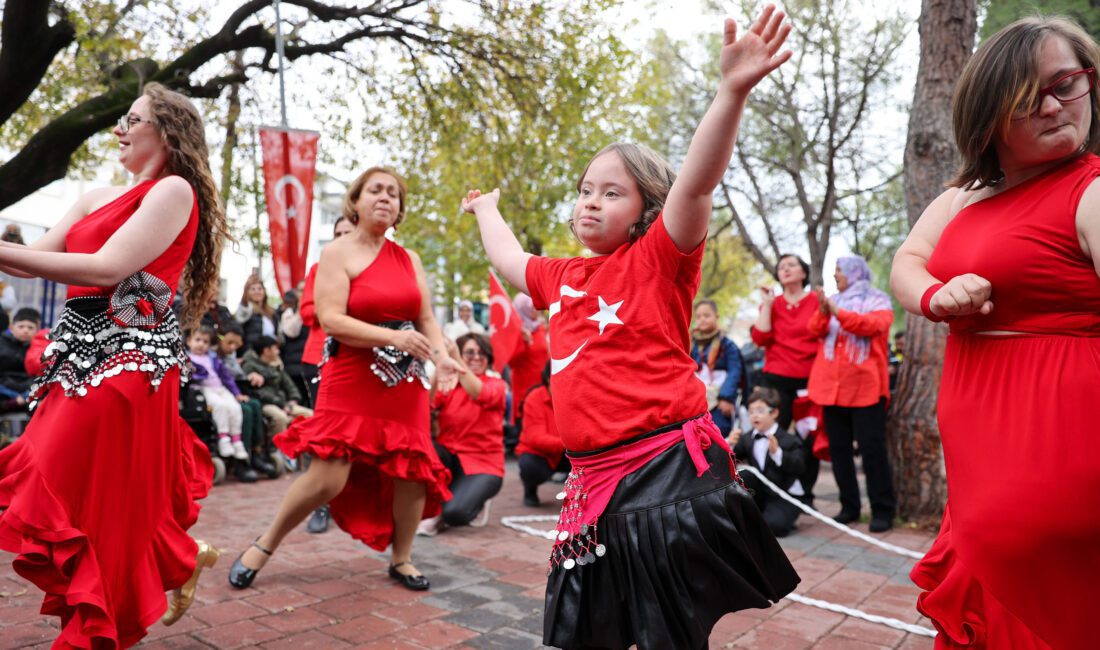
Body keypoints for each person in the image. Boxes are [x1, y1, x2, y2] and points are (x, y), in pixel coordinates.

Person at [462, 7, 798, 648]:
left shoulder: (659, 260)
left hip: (662, 476)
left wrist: (730, 92)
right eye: (586, 189)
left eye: (611, 193)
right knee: (584, 630)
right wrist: (486, 209)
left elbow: (697, 184)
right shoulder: (560, 277)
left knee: (668, 632)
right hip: (589, 481)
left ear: (648, 209)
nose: (591, 200)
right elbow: (507, 260)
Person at [890, 17, 1100, 649]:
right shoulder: (963, 198)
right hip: (981, 448)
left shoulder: (1090, 191)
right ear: (988, 112)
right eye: (1025, 95)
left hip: (1057, 438)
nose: (1052, 105)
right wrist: (934, 295)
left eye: (1066, 82)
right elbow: (907, 262)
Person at [0, 82, 224, 646]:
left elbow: (105, 268)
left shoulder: (173, 191)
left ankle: (99, 623)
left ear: (167, 133)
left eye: (132, 119)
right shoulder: (92, 197)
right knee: (81, 496)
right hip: (75, 361)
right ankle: (177, 557)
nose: (119, 129)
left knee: (72, 487)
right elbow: (35, 263)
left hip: (128, 362)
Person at [228, 166, 463, 593]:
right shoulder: (338, 253)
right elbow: (332, 319)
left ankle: (402, 559)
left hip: (404, 380)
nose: (386, 198)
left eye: (394, 193)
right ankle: (265, 543)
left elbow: (426, 317)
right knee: (328, 477)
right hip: (351, 374)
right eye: (376, 190)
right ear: (355, 202)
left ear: (400, 210)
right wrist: (396, 336)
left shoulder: (409, 259)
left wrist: (444, 357)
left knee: (411, 472)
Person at [807, 256, 895, 532]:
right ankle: (850, 506)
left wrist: (836, 312)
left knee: (872, 451)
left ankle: (882, 510)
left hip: (866, 389)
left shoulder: (878, 301)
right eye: (834, 271)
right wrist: (824, 311)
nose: (835, 276)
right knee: (840, 451)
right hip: (831, 390)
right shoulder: (833, 301)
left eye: (839, 271)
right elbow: (814, 330)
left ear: (855, 273)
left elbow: (872, 326)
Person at [299, 215, 356, 533]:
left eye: (348, 232)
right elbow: (307, 312)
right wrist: (339, 311)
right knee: (324, 434)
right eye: (337, 233)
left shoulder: (368, 268)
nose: (341, 237)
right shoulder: (319, 270)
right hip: (320, 358)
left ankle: (347, 498)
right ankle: (319, 503)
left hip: (358, 360)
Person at [419, 333, 506, 534]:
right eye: (469, 352)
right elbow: (425, 407)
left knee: (455, 514)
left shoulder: (497, 385)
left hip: (483, 465)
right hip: (450, 458)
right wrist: (439, 368)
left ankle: (465, 501)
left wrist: (457, 359)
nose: (476, 357)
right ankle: (438, 504)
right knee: (422, 448)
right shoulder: (450, 384)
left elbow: (479, 393)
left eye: (481, 353)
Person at [749, 254, 819, 430]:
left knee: (810, 437)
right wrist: (767, 304)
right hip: (775, 379)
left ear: (804, 273)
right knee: (773, 433)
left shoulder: (817, 301)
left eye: (791, 265)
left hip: (809, 378)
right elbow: (759, 338)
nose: (785, 269)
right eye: (781, 267)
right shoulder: (773, 303)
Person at [729, 387, 807, 538]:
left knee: (773, 527)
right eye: (751, 411)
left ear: (775, 413)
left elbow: (799, 467)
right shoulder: (747, 438)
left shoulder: (789, 439)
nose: (754, 416)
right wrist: (729, 444)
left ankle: (786, 515)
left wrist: (777, 453)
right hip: (760, 492)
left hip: (784, 493)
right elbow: (731, 459)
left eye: (760, 411)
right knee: (745, 474)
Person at [215, 322, 277, 478]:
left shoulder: (231, 357)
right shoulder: (213, 356)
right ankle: (242, 459)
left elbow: (238, 375)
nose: (233, 347)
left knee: (255, 405)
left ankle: (256, 453)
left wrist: (248, 377)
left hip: (235, 391)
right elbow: (226, 377)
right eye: (230, 343)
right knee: (246, 410)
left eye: (237, 344)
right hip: (219, 394)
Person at [186, 325, 248, 461]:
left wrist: (236, 393)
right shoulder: (187, 360)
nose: (201, 344)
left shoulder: (213, 358)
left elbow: (226, 377)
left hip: (220, 388)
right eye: (198, 340)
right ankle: (223, 438)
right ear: (189, 341)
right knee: (220, 407)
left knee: (235, 407)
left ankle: (237, 440)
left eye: (205, 342)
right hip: (204, 390)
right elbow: (192, 377)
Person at [514, 362, 567, 507]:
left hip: (567, 452)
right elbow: (535, 438)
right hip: (541, 453)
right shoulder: (534, 398)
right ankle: (530, 489)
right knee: (530, 466)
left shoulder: (575, 396)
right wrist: (570, 444)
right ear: (548, 378)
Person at [690, 298, 743, 435]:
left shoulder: (727, 345)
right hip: (696, 397)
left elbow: (734, 371)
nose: (702, 320)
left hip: (719, 398)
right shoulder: (691, 344)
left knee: (717, 431)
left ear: (717, 317)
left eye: (707, 316)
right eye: (698, 317)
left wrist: (726, 397)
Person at [240, 335, 313, 434]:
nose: (278, 352)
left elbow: (289, 385)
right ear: (266, 350)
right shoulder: (249, 367)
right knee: (281, 417)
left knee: (310, 415)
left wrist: (294, 399)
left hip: (283, 403)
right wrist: (282, 405)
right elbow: (260, 393)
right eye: (275, 349)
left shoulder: (276, 364)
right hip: (265, 404)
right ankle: (279, 447)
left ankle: (303, 445)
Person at [508, 292, 549, 419]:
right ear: (522, 308)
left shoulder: (540, 328)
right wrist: (523, 342)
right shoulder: (515, 331)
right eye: (532, 307)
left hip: (542, 385)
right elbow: (511, 361)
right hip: (524, 387)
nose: (536, 309)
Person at [0, 307, 40, 410]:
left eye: (30, 327)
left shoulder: (41, 347)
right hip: (4, 387)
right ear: (11, 327)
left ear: (37, 330)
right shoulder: (2, 342)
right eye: (21, 326)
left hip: (29, 389)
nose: (25, 330)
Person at [235, 274, 277, 353]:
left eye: (259, 289)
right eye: (253, 289)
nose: (257, 291)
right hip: (251, 355)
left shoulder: (271, 312)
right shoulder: (246, 309)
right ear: (247, 292)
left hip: (269, 354)